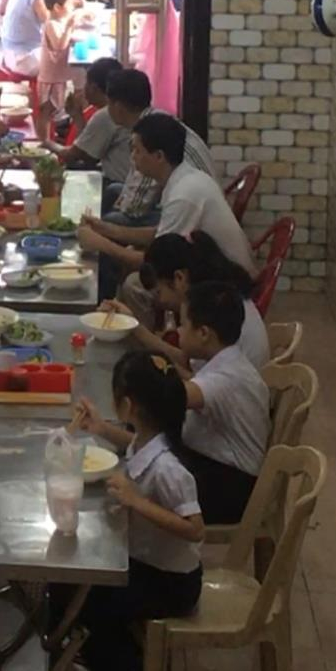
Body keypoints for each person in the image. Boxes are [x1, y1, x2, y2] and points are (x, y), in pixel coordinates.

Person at [59, 351, 204, 671]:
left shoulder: (169, 468)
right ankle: (71, 643)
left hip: (171, 582)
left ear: (128, 406)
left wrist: (137, 502)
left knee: (94, 606)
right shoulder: (148, 440)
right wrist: (99, 428)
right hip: (147, 562)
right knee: (72, 585)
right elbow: (130, 443)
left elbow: (194, 528)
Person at [78, 112, 254, 285]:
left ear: (159, 156)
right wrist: (107, 230)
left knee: (134, 284)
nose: (133, 157)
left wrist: (101, 244)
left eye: (137, 151)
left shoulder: (184, 194)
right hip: (213, 270)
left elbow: (157, 264)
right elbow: (161, 234)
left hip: (227, 285)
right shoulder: (183, 177)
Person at [178, 280, 270, 524]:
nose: (178, 330)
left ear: (203, 333)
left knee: (147, 482)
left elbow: (170, 397)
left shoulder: (224, 379)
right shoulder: (230, 360)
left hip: (230, 489)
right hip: (218, 468)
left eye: (183, 324)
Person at [136, 232, 269, 373]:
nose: (160, 301)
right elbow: (189, 363)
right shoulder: (219, 292)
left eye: (159, 292)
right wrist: (137, 329)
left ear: (179, 278)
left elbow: (194, 378)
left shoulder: (210, 308)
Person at [99, 69, 217, 226]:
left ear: (118, 107)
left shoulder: (150, 134)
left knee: (112, 220)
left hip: (194, 217)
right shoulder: (153, 120)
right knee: (114, 190)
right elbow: (134, 181)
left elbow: (135, 208)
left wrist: (113, 215)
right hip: (189, 198)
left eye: (108, 104)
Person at [52, 56, 125, 176]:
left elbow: (73, 155)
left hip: (113, 180)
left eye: (86, 82)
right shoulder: (118, 107)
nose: (83, 87)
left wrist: (46, 143)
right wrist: (77, 116)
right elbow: (86, 149)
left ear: (93, 88)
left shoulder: (106, 115)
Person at [36, 0, 80, 138]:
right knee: (47, 111)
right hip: (51, 77)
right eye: (70, 5)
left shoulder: (60, 21)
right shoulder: (51, 24)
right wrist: (69, 27)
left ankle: (56, 135)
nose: (73, 8)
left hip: (60, 76)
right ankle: (44, 139)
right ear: (57, 7)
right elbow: (59, 45)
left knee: (59, 107)